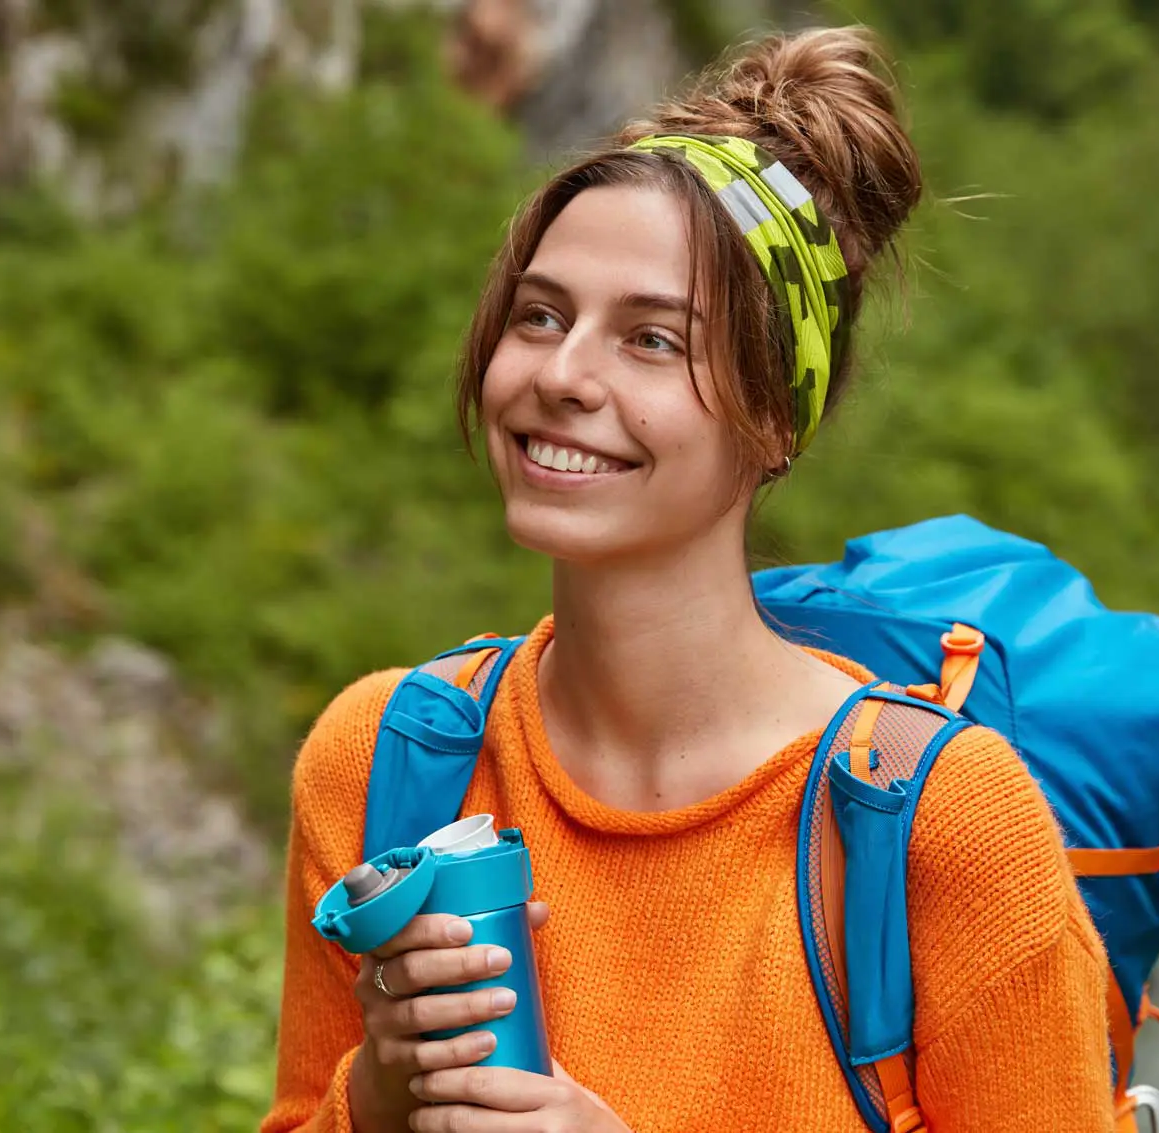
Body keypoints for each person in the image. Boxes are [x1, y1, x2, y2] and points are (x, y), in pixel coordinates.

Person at [262, 24, 1115, 1133]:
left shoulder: (939, 826)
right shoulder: (385, 759)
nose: (560, 375)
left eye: (652, 341)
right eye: (539, 314)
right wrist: (374, 1097)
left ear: (772, 417)